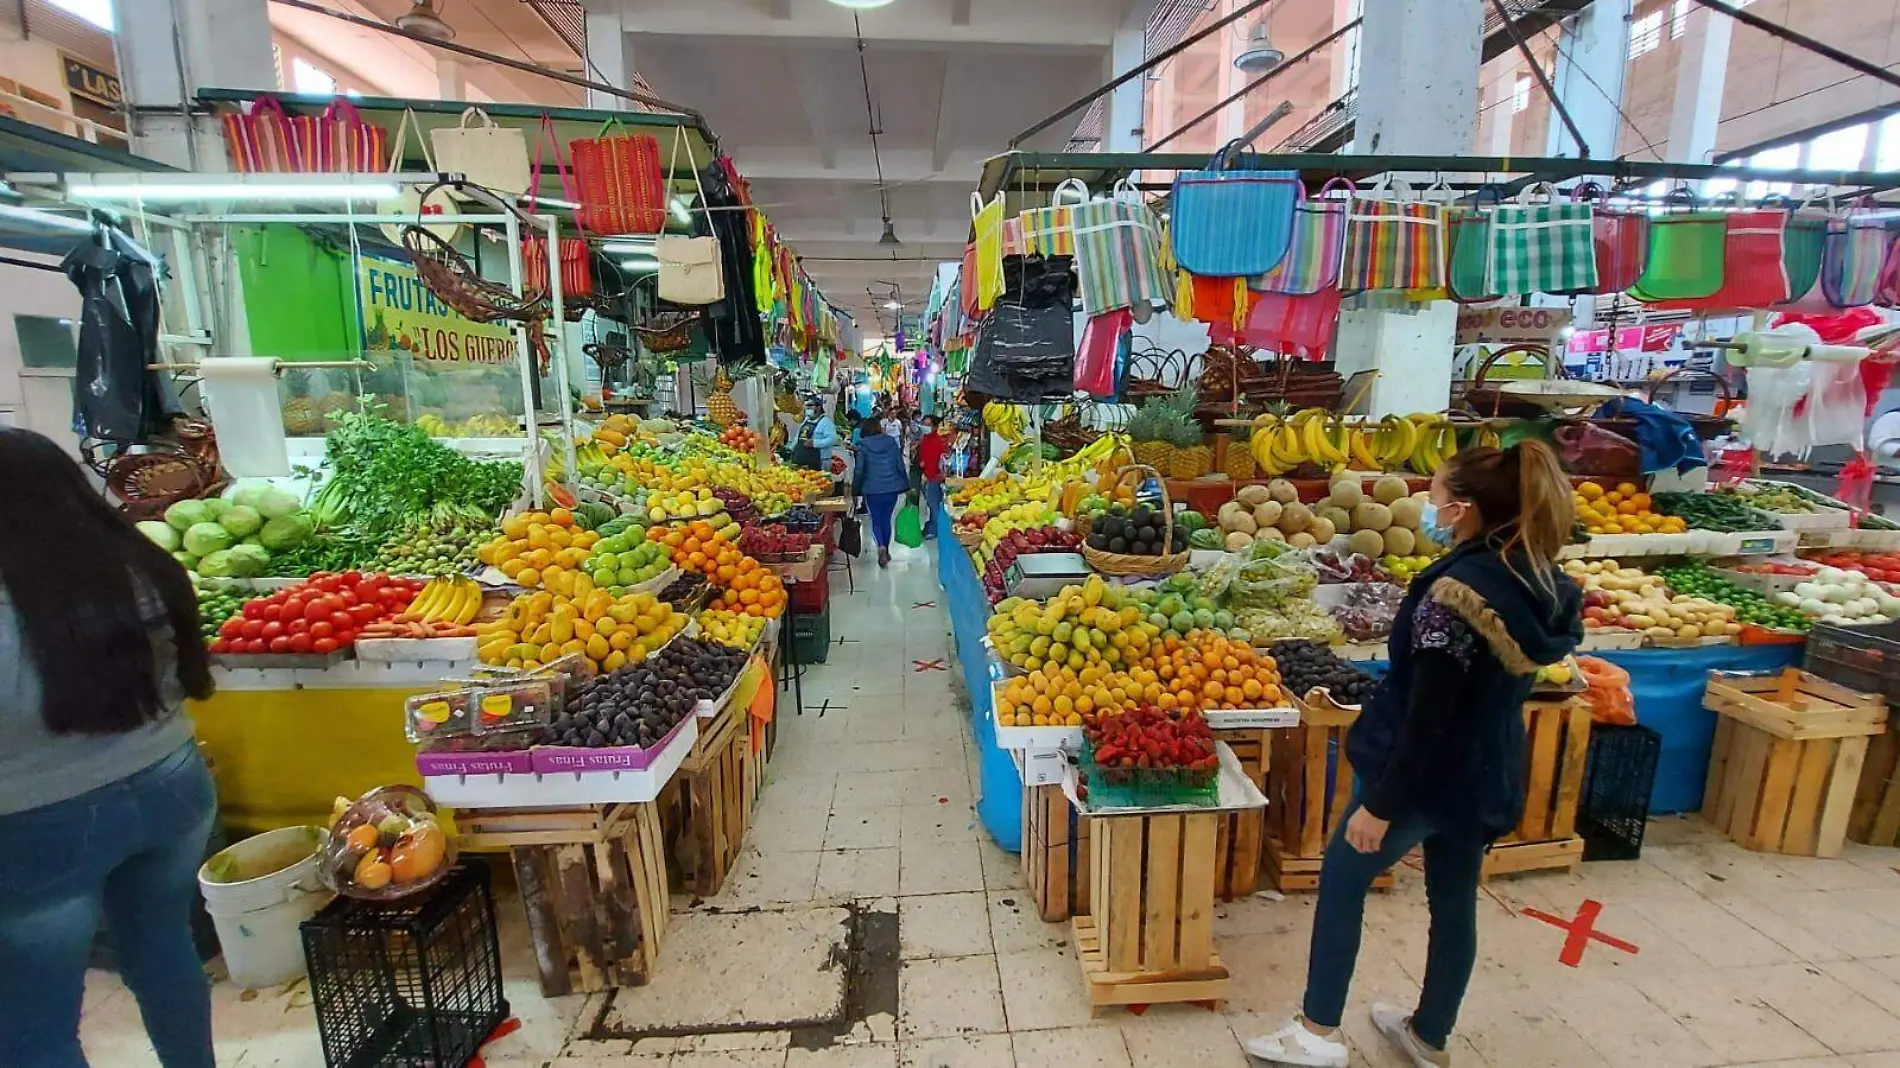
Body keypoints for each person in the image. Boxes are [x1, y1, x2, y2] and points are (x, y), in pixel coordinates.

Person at [1244, 440, 1582, 1068]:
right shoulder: (1541, 583)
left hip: (1424, 776)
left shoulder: (1454, 596)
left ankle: (1316, 1031)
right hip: (1486, 771)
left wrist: (1382, 803)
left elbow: (1430, 716)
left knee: (1344, 881)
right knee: (1453, 901)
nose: (1427, 503)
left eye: (1434, 493)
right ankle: (1430, 1035)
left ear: (1463, 509)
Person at [0, 428, 219, 1068]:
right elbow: (183, 675)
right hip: (172, 784)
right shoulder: (140, 566)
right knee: (163, 947)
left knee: (34, 1020)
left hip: (41, 819)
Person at [852, 419, 911, 568]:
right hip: (891, 488)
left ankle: (881, 546)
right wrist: (905, 484)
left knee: (876, 519)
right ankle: (886, 547)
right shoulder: (891, 442)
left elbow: (859, 470)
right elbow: (899, 464)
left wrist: (855, 489)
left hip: (872, 489)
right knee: (886, 518)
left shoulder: (863, 445)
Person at [915, 415, 949, 540]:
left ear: (934, 426)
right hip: (928, 475)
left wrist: (927, 475)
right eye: (924, 424)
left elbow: (934, 460)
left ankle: (935, 530)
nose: (925, 427)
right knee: (931, 504)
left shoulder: (937, 441)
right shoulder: (926, 438)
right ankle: (932, 527)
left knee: (934, 504)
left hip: (933, 476)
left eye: (928, 425)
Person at [793, 398, 839, 473]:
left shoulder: (826, 422)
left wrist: (815, 443)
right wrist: (790, 448)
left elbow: (833, 439)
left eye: (810, 406)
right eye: (806, 406)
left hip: (820, 461)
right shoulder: (806, 421)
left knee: (818, 482)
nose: (807, 409)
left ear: (818, 407)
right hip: (803, 460)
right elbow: (798, 437)